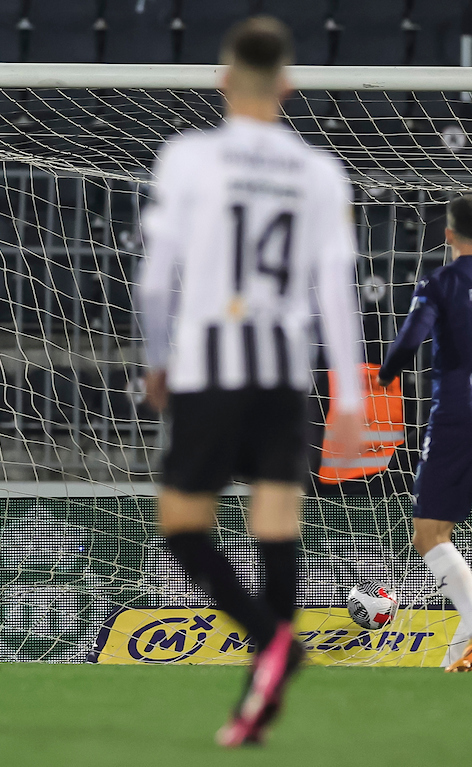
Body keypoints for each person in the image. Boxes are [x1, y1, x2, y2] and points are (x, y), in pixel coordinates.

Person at [138, 17, 364, 746]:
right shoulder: (320, 173)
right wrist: (350, 394)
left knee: (183, 526)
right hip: (283, 373)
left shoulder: (188, 158)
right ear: (288, 86)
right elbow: (336, 290)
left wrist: (158, 359)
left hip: (210, 364)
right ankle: (260, 695)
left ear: (224, 80)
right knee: (276, 528)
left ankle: (271, 645)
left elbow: (155, 280)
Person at [378, 194, 472, 673]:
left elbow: (410, 340)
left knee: (430, 534)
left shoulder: (441, 282)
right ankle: (460, 656)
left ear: (449, 234)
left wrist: (384, 375)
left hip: (458, 414)